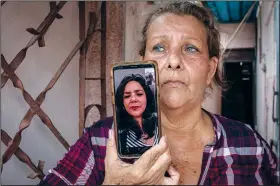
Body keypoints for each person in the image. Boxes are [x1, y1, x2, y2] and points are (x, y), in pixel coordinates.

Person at [39, 1, 278, 185]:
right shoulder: (100, 141)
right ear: (143, 64)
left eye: (191, 48)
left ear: (210, 69)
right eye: (159, 47)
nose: (173, 61)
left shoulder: (249, 147)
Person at [115, 74, 158, 155]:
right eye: (127, 96)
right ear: (122, 103)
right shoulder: (120, 133)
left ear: (147, 97)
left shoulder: (160, 123)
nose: (133, 99)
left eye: (139, 94)